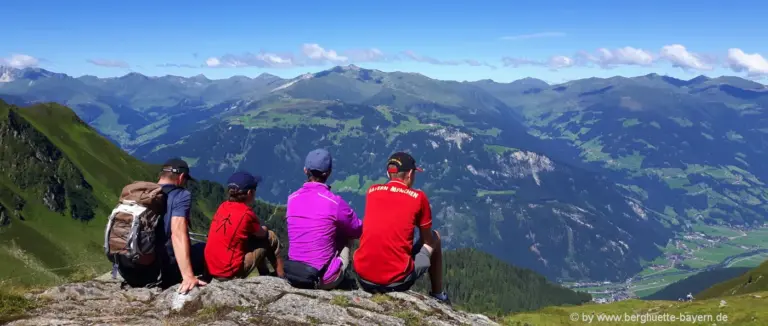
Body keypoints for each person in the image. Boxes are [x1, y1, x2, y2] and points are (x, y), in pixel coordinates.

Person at [352, 152, 450, 304]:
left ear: (388, 173)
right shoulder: (418, 197)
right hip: (395, 282)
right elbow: (427, 240)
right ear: (410, 174)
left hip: (363, 277)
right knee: (435, 236)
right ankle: (438, 295)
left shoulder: (372, 191)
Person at [284, 149, 362, 289]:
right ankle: (345, 282)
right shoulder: (334, 202)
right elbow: (357, 229)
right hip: (320, 278)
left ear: (305, 170)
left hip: (292, 274)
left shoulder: (291, 199)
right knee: (347, 233)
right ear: (329, 173)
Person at [204, 171, 285, 281]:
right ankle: (281, 277)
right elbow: (262, 234)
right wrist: (265, 228)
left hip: (211, 268)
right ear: (249, 193)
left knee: (254, 241)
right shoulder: (246, 214)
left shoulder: (222, 206)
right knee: (271, 237)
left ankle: (265, 275)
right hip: (229, 272)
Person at [156, 158, 208, 293]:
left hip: (130, 269)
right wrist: (188, 277)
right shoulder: (181, 195)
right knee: (205, 248)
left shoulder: (143, 194)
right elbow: (178, 233)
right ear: (181, 177)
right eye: (185, 181)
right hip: (161, 270)